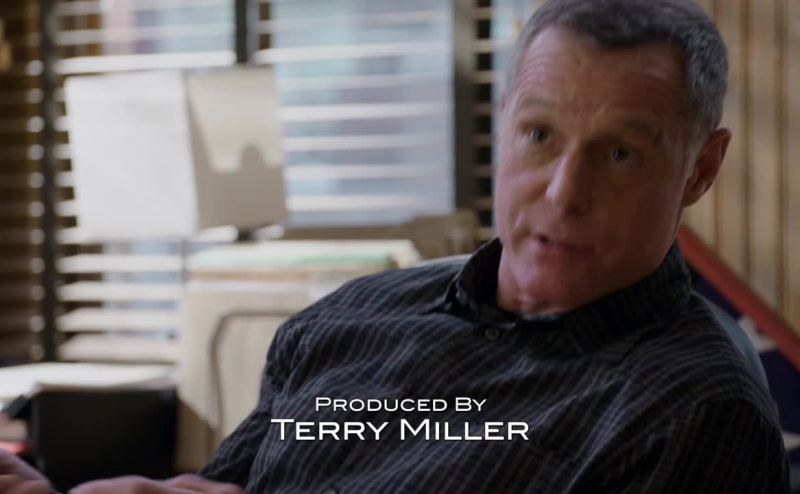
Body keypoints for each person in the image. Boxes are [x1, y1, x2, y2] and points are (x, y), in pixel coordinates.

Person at [0, 0, 790, 492]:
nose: (563, 193)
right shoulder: (349, 321)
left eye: (620, 153)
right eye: (540, 135)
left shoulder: (695, 414)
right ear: (504, 125)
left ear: (701, 169)